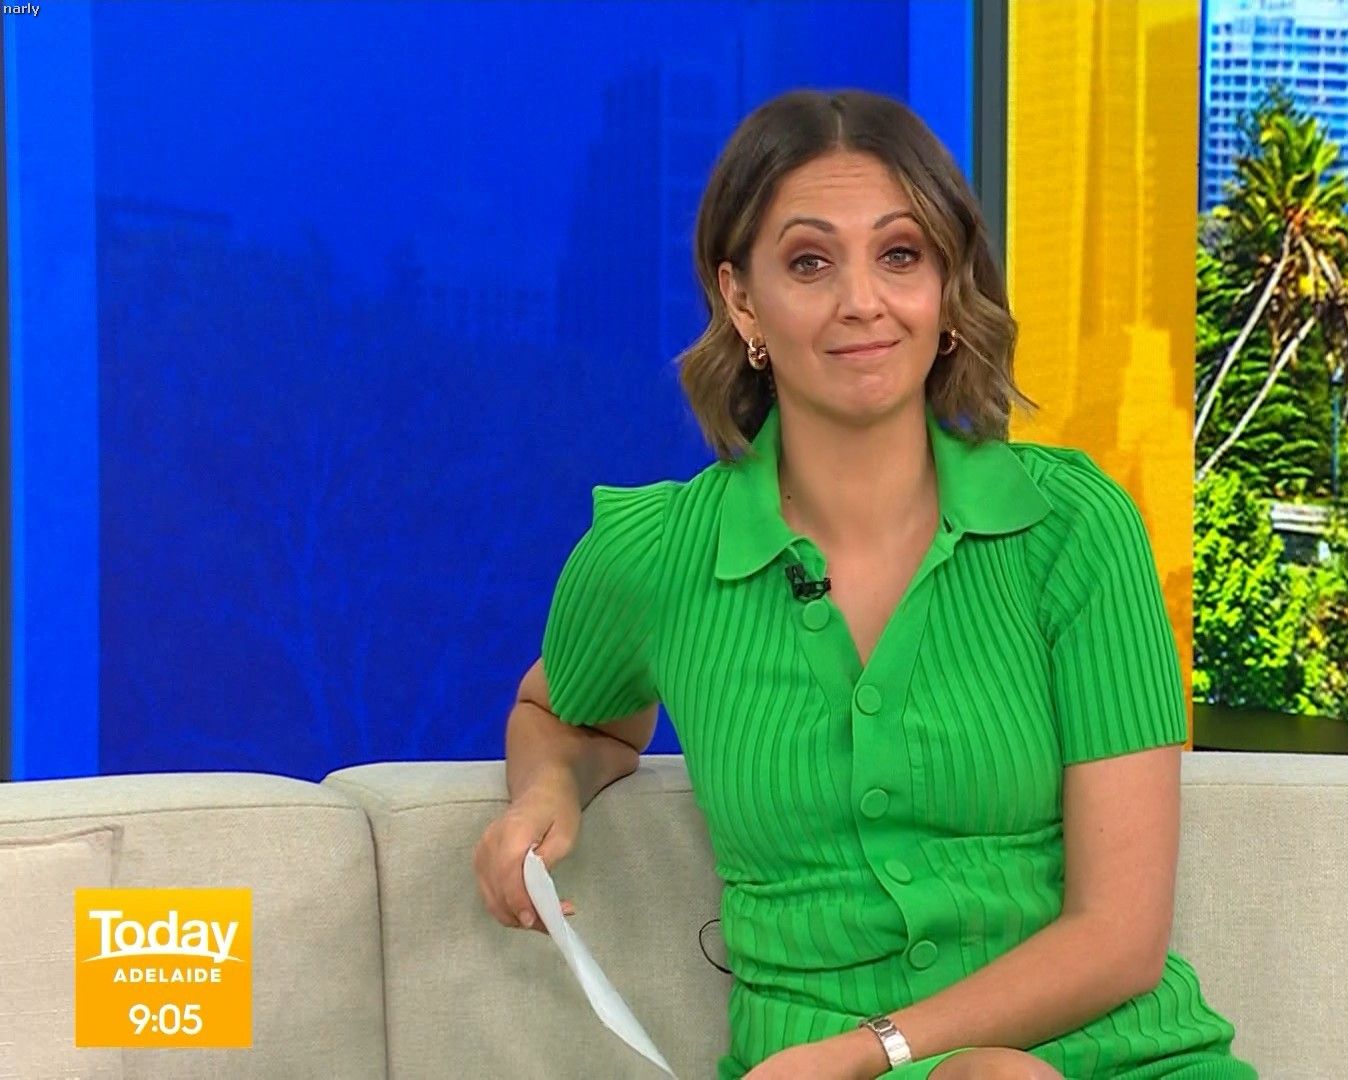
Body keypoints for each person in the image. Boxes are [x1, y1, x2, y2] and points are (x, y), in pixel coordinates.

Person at [472, 89, 1256, 1080]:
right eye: (810, 262)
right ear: (741, 300)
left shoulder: (1072, 528)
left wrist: (865, 1051)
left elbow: (1121, 935)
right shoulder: (655, 554)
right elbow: (563, 712)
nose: (862, 301)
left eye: (901, 255)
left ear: (947, 287)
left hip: (1106, 1059)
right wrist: (549, 787)